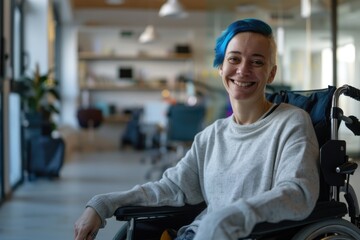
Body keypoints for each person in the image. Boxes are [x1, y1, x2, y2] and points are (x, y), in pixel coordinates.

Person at [74, 18, 319, 240]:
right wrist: (102, 203)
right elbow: (172, 188)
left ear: (271, 73)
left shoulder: (292, 122)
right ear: (221, 68)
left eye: (257, 62)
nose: (243, 70)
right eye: (234, 59)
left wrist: (230, 217)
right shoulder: (211, 136)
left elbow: (297, 192)